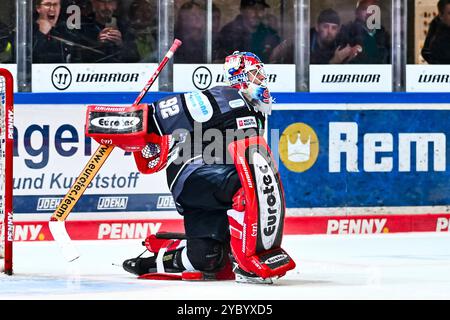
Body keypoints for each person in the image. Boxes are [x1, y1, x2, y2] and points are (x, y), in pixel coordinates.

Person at [86, 51, 296, 283]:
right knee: (247, 185)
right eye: (256, 74)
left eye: (261, 74)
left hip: (217, 184)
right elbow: (157, 116)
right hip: (192, 174)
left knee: (208, 260)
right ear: (239, 76)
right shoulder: (218, 97)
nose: (261, 80)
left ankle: (156, 257)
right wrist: (121, 124)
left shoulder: (257, 113)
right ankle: (248, 262)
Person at [215, 0, 281, 63]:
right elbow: (220, 61)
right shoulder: (228, 33)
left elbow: (278, 61)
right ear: (242, 10)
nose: (256, 14)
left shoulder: (270, 34)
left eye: (260, 9)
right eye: (252, 9)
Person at [339, 0, 391, 64]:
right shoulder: (347, 32)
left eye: (373, 9)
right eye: (365, 8)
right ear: (357, 13)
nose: (369, 13)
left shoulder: (383, 34)